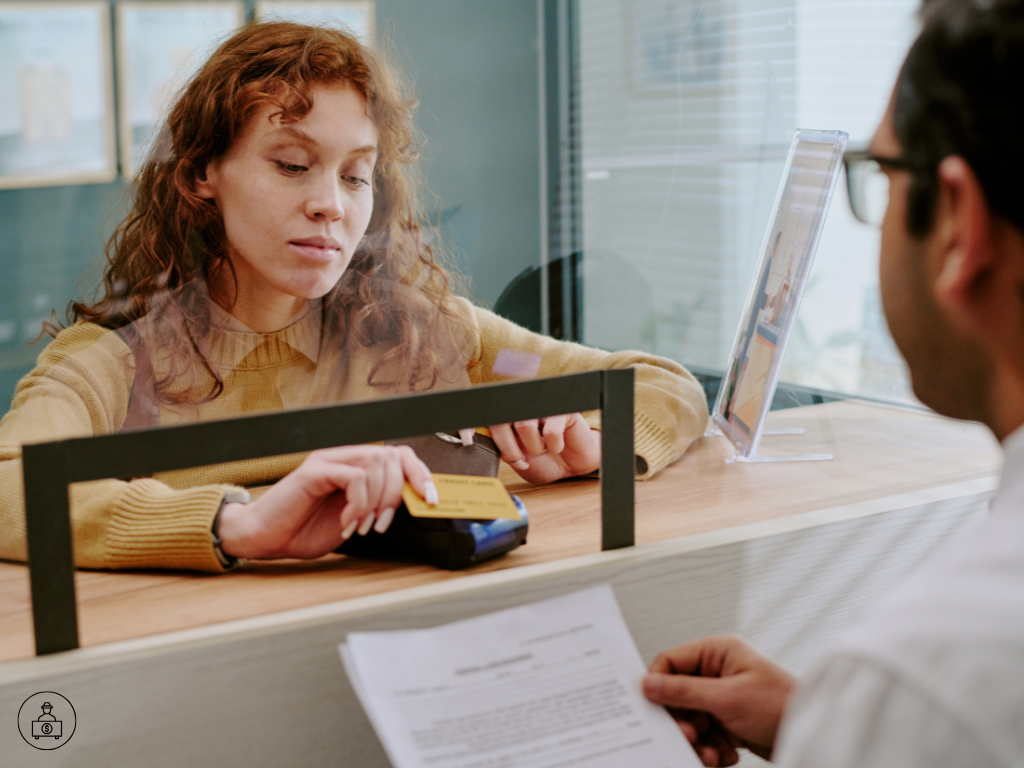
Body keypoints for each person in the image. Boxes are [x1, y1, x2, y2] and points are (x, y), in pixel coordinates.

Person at [0, 22, 708, 573]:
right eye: (292, 165)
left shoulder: (423, 333)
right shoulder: (115, 364)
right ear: (199, 175)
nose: (330, 206)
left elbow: (661, 386)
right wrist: (236, 523)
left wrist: (595, 446)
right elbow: (10, 488)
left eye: (355, 176)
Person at [642, 0, 1024, 765]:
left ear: (958, 223)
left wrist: (863, 721)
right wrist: (823, 723)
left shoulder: (927, 673)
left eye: (881, 176)